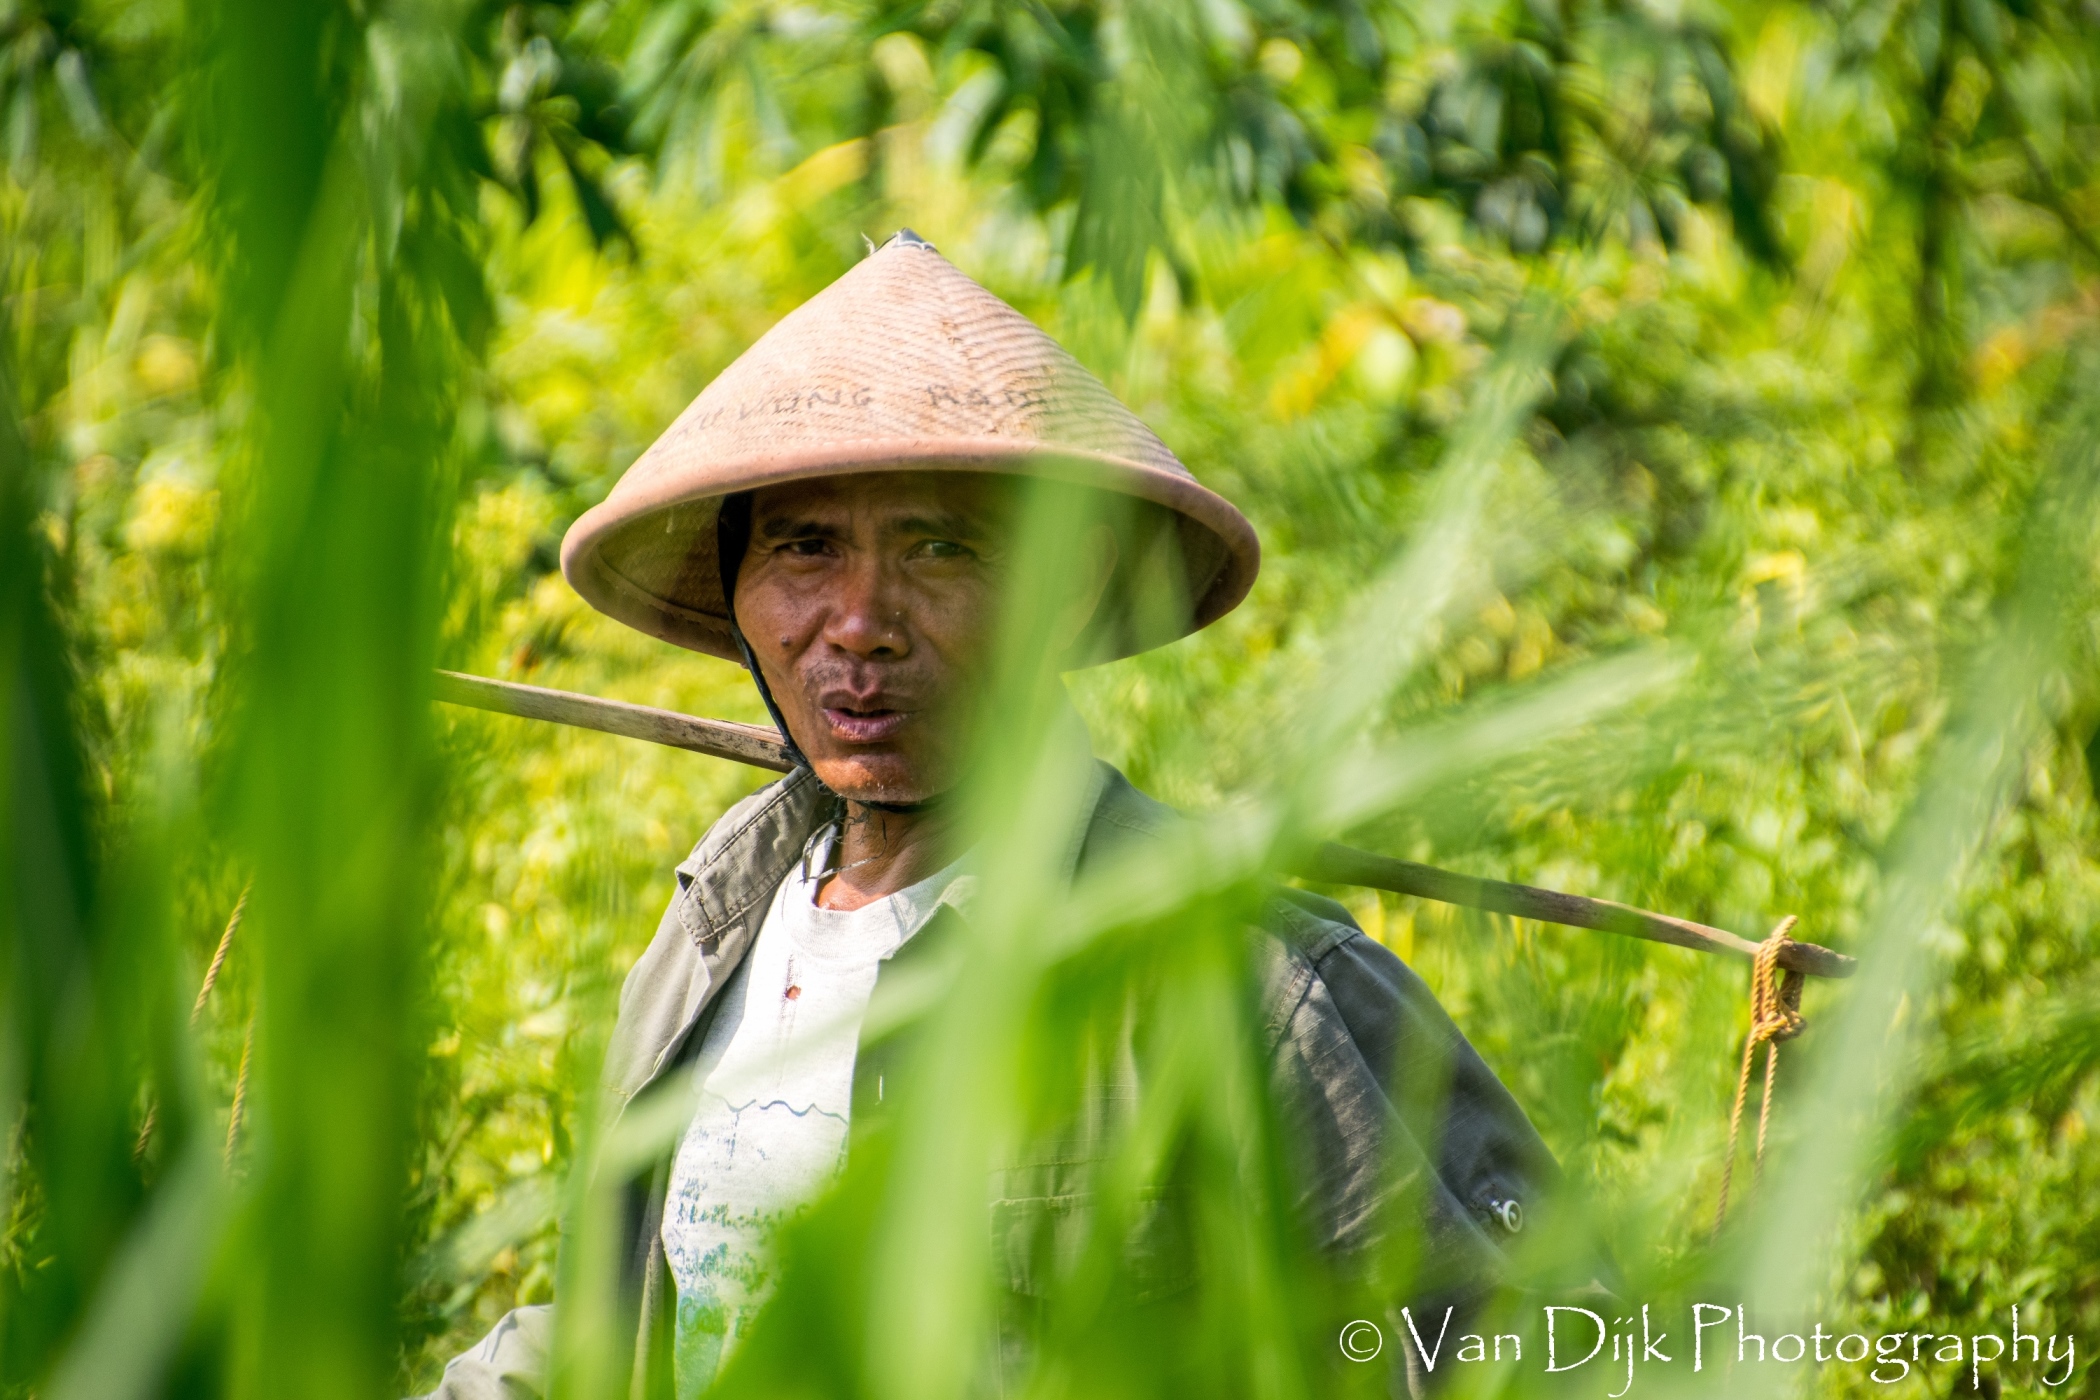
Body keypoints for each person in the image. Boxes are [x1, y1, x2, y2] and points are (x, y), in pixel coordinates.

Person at [422, 231, 1558, 1399]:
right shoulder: (710, 936)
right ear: (741, 579)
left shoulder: (1236, 978)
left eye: (940, 547)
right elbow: (622, 1327)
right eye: (806, 546)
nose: (859, 622)